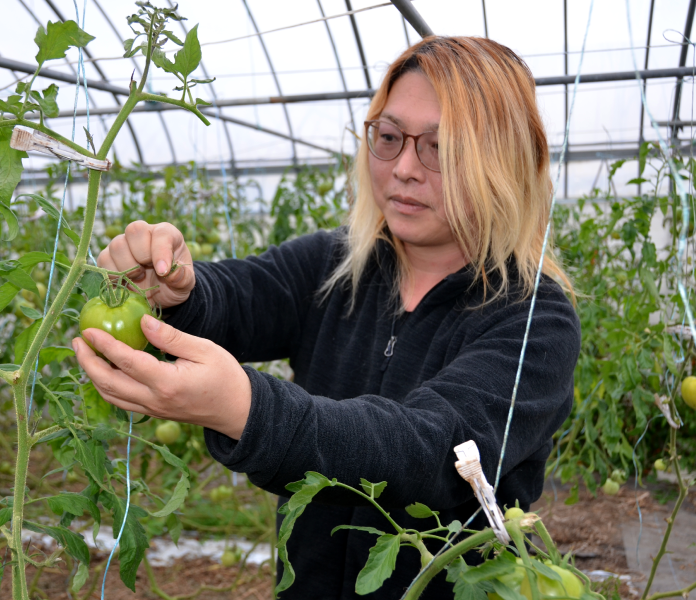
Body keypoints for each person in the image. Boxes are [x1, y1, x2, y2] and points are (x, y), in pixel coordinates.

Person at [72, 36, 580, 599]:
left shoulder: (534, 319)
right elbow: (244, 296)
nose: (405, 168)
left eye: (440, 147)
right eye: (389, 138)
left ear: (502, 161)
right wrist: (177, 289)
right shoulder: (336, 265)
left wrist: (249, 410)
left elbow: (431, 453)